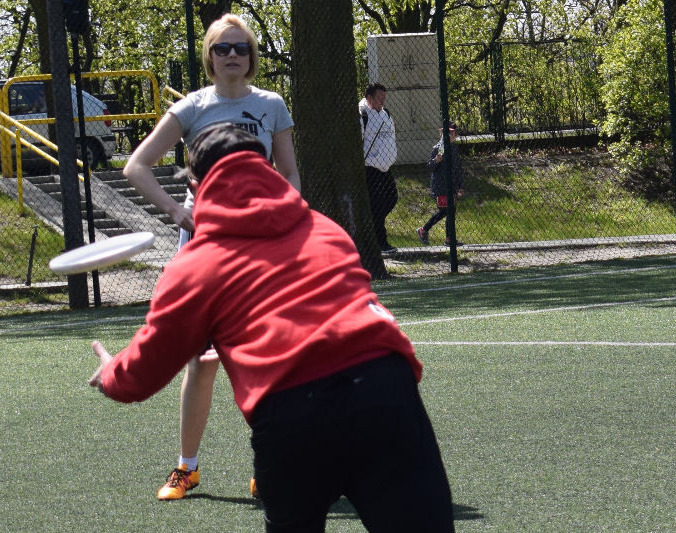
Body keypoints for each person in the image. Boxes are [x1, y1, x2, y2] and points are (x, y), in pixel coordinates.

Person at [90, 123, 455, 533]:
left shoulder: (194, 266)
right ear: (268, 168)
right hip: (387, 390)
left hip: (293, 413)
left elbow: (143, 372)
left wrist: (110, 373)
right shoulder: (324, 228)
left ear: (195, 183)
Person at [121, 13, 300, 501]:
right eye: (223, 48)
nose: (232, 56)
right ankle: (187, 468)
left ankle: (269, 466)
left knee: (265, 356)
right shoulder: (191, 107)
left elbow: (290, 176)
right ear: (209, 56)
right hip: (205, 247)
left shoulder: (272, 105)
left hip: (259, 247)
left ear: (252, 55)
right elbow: (136, 166)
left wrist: (281, 223)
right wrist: (179, 212)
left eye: (241, 47)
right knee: (201, 361)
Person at [358, 82, 398, 254]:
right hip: (370, 168)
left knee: (391, 198)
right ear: (369, 98)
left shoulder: (386, 114)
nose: (383, 101)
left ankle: (376, 233)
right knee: (377, 205)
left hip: (385, 166)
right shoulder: (362, 116)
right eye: (379, 97)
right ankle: (380, 242)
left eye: (384, 97)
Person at [417, 122, 464, 247]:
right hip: (439, 186)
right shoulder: (438, 148)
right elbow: (429, 166)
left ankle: (425, 230)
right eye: (446, 133)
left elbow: (458, 168)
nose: (449, 135)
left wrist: (460, 185)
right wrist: (435, 161)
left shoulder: (454, 148)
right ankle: (447, 238)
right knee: (448, 210)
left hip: (451, 185)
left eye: (451, 133)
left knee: (447, 211)